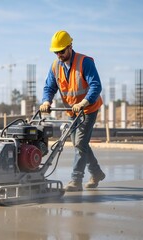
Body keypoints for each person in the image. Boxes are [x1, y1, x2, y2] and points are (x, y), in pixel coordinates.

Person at [39, 30, 105, 192]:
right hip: (72, 111)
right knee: (79, 144)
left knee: (80, 143)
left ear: (70, 46)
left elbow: (96, 85)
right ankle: (96, 173)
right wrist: (46, 101)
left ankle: (76, 180)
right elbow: (49, 86)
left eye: (61, 51)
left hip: (88, 108)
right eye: (56, 52)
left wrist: (84, 102)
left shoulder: (85, 62)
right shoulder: (55, 66)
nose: (59, 55)